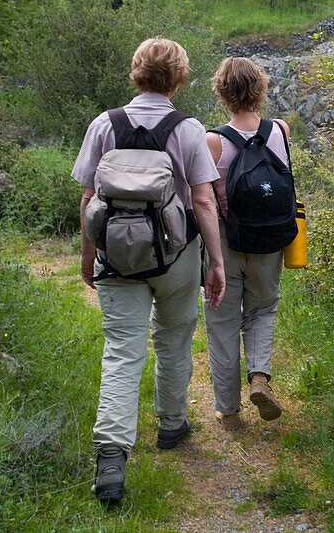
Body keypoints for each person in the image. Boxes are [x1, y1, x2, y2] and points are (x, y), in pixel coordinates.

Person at [72, 37, 226, 504]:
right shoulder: (188, 129)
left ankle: (112, 461)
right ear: (178, 78)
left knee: (122, 350)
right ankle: (172, 426)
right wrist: (215, 263)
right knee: (174, 338)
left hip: (116, 257)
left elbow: (87, 198)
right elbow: (202, 200)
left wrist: (86, 256)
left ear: (136, 72)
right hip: (176, 258)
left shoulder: (105, 123)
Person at [203, 57, 290, 430]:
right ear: (260, 88)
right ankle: (259, 377)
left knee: (222, 321)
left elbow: (203, 199)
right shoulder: (280, 131)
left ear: (222, 93)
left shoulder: (213, 141)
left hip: (226, 240)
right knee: (262, 309)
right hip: (270, 239)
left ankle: (229, 411)